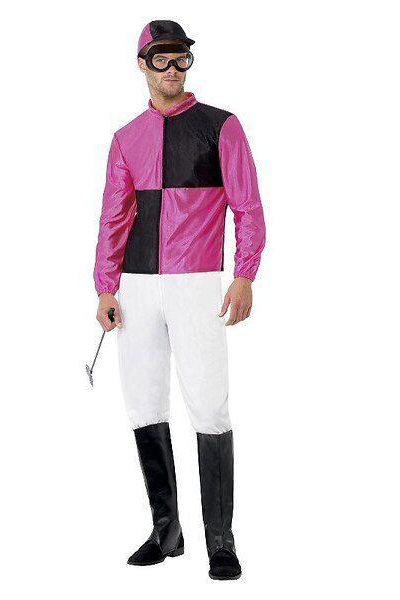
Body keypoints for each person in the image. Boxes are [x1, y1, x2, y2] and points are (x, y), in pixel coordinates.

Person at [93, 19, 266, 580]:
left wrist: (244, 274)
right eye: (161, 58)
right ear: (142, 64)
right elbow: (114, 216)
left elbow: (248, 206)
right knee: (143, 403)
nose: (172, 68)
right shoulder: (125, 138)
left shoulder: (221, 126)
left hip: (197, 282)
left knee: (209, 405)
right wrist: (105, 285)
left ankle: (221, 541)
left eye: (181, 58)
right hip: (137, 284)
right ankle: (166, 530)